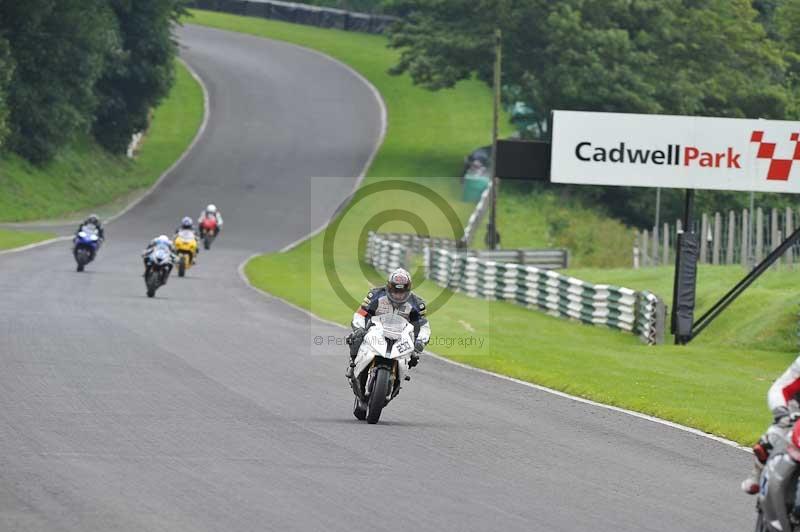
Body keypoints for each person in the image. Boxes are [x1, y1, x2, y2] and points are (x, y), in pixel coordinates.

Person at [345, 268, 430, 379]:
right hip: (375, 331)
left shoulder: (417, 304)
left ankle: (400, 374)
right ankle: (353, 365)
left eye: (402, 292)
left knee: (415, 355)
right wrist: (359, 328)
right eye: (395, 291)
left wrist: (420, 342)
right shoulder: (375, 295)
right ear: (389, 287)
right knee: (355, 338)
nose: (398, 295)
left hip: (401, 336)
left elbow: (423, 326)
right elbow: (361, 313)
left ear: (408, 289)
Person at [742, 356, 800, 497]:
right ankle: (757, 473)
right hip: (796, 410)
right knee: (775, 434)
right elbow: (779, 388)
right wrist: (781, 412)